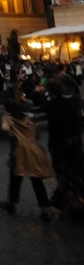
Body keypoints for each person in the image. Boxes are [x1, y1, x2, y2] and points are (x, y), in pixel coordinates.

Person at [0, 99, 53, 222]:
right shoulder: (27, 119)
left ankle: (12, 203)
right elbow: (37, 134)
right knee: (36, 180)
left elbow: (5, 129)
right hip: (33, 151)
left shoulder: (10, 119)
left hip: (19, 152)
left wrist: (5, 119)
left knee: (15, 178)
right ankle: (45, 208)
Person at [45, 80, 84, 217]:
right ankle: (68, 200)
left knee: (63, 174)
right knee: (76, 171)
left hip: (60, 143)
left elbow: (53, 127)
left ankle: (73, 203)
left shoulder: (51, 105)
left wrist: (52, 145)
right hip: (74, 141)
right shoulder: (70, 103)